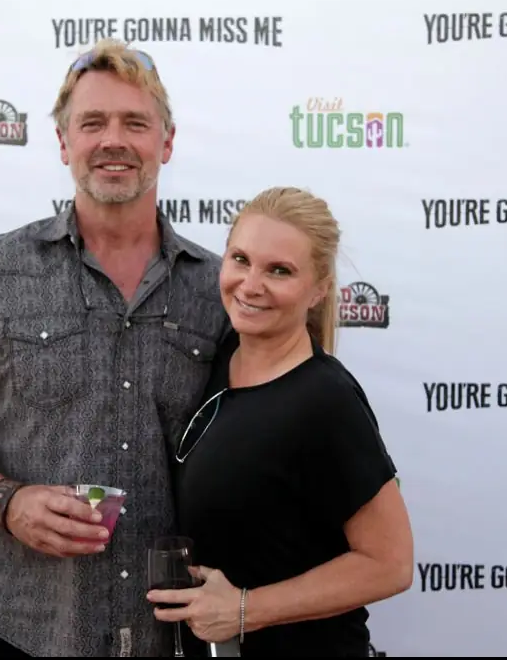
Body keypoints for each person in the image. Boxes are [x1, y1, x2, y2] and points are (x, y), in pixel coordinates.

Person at [0, 38, 229, 657]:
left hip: (171, 635)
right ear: (64, 142)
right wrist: (8, 502)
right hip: (21, 626)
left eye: (135, 123)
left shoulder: (219, 289)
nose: (113, 140)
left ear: (167, 142)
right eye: (92, 122)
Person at [147, 187, 414, 657]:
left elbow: (390, 563)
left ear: (319, 289)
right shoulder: (222, 355)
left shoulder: (325, 400)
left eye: (279, 271)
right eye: (241, 259)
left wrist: (246, 609)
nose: (251, 285)